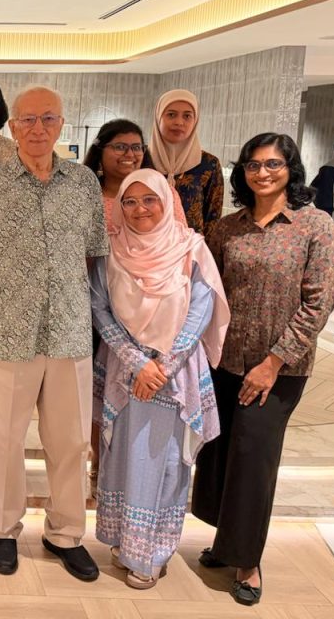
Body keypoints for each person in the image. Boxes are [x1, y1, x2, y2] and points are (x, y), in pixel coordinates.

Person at [0, 86, 109, 581]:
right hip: (7, 334)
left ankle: (65, 533)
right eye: (28, 119)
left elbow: (90, 253)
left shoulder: (84, 184)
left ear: (61, 124)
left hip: (68, 331)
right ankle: (3, 530)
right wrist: (9, 301)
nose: (38, 128)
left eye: (48, 118)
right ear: (14, 126)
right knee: (5, 439)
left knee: (70, 441)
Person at [192, 133, 334, 607]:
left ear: (290, 168)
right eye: (253, 165)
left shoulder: (314, 225)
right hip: (225, 361)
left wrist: (273, 361)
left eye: (273, 164)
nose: (262, 173)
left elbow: (320, 301)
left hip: (279, 369)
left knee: (254, 458)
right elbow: (208, 292)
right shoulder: (227, 228)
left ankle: (248, 562)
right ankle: (225, 543)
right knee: (221, 454)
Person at [90, 169, 229, 589]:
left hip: (175, 375)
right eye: (129, 202)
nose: (139, 209)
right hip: (125, 373)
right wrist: (137, 362)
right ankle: (124, 542)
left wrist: (162, 367)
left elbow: (200, 311)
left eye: (149, 199)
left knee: (165, 461)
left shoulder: (191, 248)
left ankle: (151, 555)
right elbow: (99, 308)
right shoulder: (111, 250)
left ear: (167, 202)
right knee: (122, 458)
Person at [82, 119, 185, 489]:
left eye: (136, 147)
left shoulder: (161, 192)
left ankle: (138, 475)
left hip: (148, 314)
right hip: (92, 307)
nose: (130, 154)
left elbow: (177, 247)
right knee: (95, 394)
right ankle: (99, 464)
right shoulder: (85, 193)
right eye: (120, 146)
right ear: (101, 150)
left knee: (141, 395)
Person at [148, 89, 224, 235]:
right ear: (158, 117)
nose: (179, 122)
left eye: (187, 116)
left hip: (191, 247)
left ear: (195, 121)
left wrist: (204, 249)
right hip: (144, 245)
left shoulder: (208, 164)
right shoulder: (140, 159)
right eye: (171, 114)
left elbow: (212, 218)